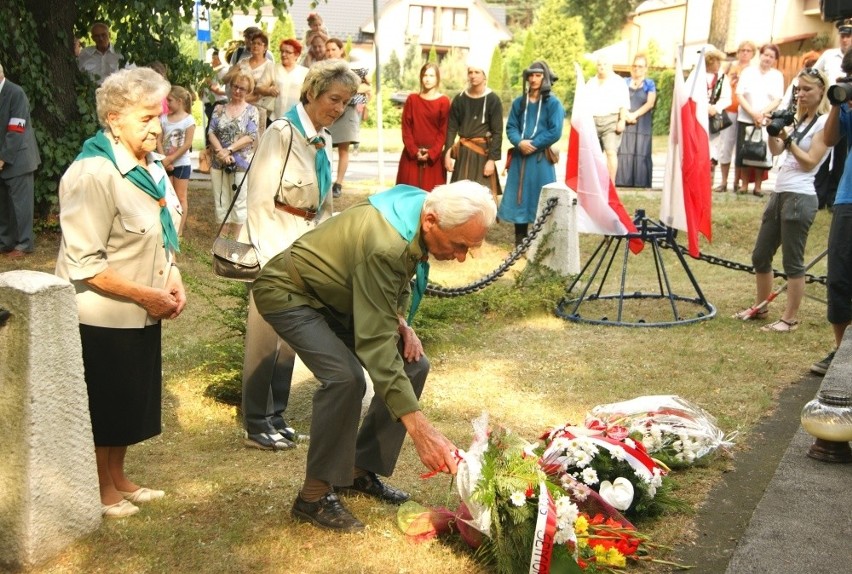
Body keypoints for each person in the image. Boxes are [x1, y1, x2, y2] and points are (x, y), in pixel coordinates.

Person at [252, 180, 497, 532]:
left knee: (413, 365)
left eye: (468, 250)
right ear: (430, 221)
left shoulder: (420, 205)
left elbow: (396, 277)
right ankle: (314, 496)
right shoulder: (387, 243)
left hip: (338, 298)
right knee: (344, 378)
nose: (460, 257)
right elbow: (376, 344)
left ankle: (357, 471)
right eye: (459, 245)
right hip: (290, 292)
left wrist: (400, 322)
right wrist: (420, 429)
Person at [54, 67, 185, 518]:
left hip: (142, 308)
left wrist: (172, 278)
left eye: (160, 115)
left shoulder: (150, 167)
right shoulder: (93, 173)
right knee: (105, 405)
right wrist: (146, 296)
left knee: (130, 399)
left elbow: (164, 233)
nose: (158, 126)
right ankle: (99, 487)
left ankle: (119, 477)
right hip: (102, 315)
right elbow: (85, 264)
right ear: (114, 119)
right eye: (146, 118)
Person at [240, 60, 359, 451]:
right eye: (333, 99)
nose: (338, 108)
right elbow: (258, 199)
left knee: (289, 337)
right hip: (275, 247)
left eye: (345, 102)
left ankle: (277, 415)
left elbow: (319, 207)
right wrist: (270, 258)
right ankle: (256, 422)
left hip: (303, 250)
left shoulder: (319, 141)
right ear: (311, 92)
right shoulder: (282, 133)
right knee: (264, 339)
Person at [733, 68, 830, 332]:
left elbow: (810, 163)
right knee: (760, 255)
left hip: (801, 195)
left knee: (792, 262)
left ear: (822, 91)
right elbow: (776, 150)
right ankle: (761, 307)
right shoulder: (797, 120)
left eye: (807, 89)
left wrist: (788, 138)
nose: (800, 95)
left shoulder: (823, 123)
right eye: (798, 89)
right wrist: (771, 130)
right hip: (780, 191)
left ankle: (789, 318)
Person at [812, 49, 852, 375]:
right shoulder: (847, 100)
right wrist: (838, 101)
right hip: (847, 198)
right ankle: (842, 357)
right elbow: (829, 138)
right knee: (839, 279)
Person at [498, 60, 564, 246]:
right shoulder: (519, 103)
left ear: (545, 78)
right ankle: (520, 243)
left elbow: (555, 130)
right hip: (521, 158)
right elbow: (511, 126)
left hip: (540, 159)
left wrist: (533, 144)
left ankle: (539, 244)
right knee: (520, 200)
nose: (534, 79)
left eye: (538, 75)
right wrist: (519, 142)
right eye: (531, 75)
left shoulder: (553, 103)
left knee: (540, 199)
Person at [208, 71, 259, 238]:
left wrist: (228, 150)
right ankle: (221, 241)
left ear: (248, 90)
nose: (237, 91)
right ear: (230, 87)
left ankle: (237, 242)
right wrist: (221, 153)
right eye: (235, 86)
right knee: (221, 201)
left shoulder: (252, 111)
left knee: (239, 203)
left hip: (241, 163)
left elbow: (250, 136)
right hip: (219, 162)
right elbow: (211, 132)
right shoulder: (219, 108)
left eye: (242, 89)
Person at [444, 58, 503, 201]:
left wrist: (491, 160)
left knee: (481, 196)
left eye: (477, 72)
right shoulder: (459, 99)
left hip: (482, 154)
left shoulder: (493, 100)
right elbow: (451, 128)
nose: (473, 75)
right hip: (463, 153)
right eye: (470, 72)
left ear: (484, 76)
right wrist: (447, 154)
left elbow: (497, 132)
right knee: (459, 195)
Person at [0, 62, 40, 259]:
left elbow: (17, 127)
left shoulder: (16, 93)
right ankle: (5, 242)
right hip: (3, 158)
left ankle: (24, 244)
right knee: (3, 205)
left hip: (19, 159)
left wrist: (3, 158)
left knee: (21, 205)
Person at [735, 43, 784, 196]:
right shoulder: (748, 72)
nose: (767, 58)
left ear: (775, 59)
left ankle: (758, 186)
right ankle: (743, 185)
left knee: (762, 152)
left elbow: (778, 99)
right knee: (745, 151)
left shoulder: (777, 75)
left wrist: (761, 114)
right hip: (746, 116)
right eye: (765, 55)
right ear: (760, 55)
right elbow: (739, 94)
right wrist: (753, 113)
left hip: (765, 118)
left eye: (771, 56)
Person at [813, 19, 852, 210]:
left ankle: (834, 196)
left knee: (841, 158)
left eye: (849, 35)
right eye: (843, 36)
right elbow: (814, 74)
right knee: (822, 156)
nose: (845, 40)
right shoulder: (829, 56)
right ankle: (819, 195)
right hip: (829, 111)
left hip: (847, 113)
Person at [325, 38, 370, 198]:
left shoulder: (350, 68)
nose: (330, 52)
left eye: (333, 49)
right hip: (328, 111)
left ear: (341, 51)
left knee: (343, 150)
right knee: (324, 148)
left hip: (347, 112)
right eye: (328, 49)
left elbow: (364, 87)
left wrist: (358, 96)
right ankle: (325, 181)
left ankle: (338, 183)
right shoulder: (323, 69)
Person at [395, 62, 450, 191]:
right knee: (407, 194)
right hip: (411, 157)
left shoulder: (444, 101)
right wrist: (414, 151)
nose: (427, 78)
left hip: (433, 160)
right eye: (425, 75)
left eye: (431, 75)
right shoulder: (412, 99)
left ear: (437, 78)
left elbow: (443, 131)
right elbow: (406, 128)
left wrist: (432, 153)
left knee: (432, 198)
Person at [716, 41, 756, 193]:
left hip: (746, 112)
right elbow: (720, 86)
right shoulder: (729, 67)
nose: (745, 53)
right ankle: (724, 181)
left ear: (753, 53)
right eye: (742, 50)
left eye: (748, 50)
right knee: (726, 145)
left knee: (742, 148)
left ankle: (737, 182)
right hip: (730, 109)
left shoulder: (753, 71)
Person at [586, 55, 630, 183]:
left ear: (610, 66)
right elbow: (585, 103)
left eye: (605, 64)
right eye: (599, 64)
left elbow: (624, 104)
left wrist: (622, 120)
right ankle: (595, 184)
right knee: (593, 155)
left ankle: (611, 185)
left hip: (611, 120)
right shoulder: (591, 83)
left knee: (611, 152)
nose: (602, 67)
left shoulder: (618, 82)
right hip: (593, 121)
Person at [158, 86, 196, 236]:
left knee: (181, 197)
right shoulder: (163, 119)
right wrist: (164, 160)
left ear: (180, 101)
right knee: (167, 196)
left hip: (181, 164)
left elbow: (187, 144)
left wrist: (171, 159)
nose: (167, 103)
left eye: (170, 100)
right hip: (166, 164)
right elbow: (159, 140)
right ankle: (168, 227)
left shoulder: (189, 120)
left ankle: (179, 231)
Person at [616, 53, 657, 188]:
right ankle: (622, 182)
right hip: (625, 121)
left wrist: (634, 115)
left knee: (641, 151)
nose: (637, 68)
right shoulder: (623, 82)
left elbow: (650, 103)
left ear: (645, 68)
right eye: (634, 65)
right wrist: (627, 115)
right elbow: (618, 100)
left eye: (640, 66)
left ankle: (641, 183)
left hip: (642, 124)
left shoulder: (649, 84)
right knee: (623, 151)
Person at [227, 32, 278, 132]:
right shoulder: (243, 62)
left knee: (256, 140)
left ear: (265, 47)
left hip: (258, 108)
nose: (255, 46)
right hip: (239, 107)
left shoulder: (270, 65)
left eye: (259, 44)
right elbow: (227, 79)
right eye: (253, 43)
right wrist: (236, 75)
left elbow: (263, 91)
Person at [706, 49, 732, 181]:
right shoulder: (698, 76)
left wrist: (715, 108)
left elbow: (727, 98)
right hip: (699, 116)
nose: (719, 64)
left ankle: (710, 177)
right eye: (716, 61)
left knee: (714, 146)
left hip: (714, 118)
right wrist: (704, 107)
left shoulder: (722, 78)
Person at [273, 38, 309, 120]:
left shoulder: (305, 72)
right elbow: (260, 88)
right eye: (282, 51)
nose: (283, 54)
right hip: (274, 116)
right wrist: (268, 90)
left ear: (297, 55)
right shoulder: (274, 68)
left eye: (288, 52)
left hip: (295, 117)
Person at [200, 48, 229, 143]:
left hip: (219, 102)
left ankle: (211, 145)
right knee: (212, 126)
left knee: (213, 127)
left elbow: (220, 90)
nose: (213, 61)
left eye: (215, 58)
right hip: (209, 104)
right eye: (212, 58)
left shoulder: (225, 71)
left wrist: (209, 84)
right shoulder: (210, 72)